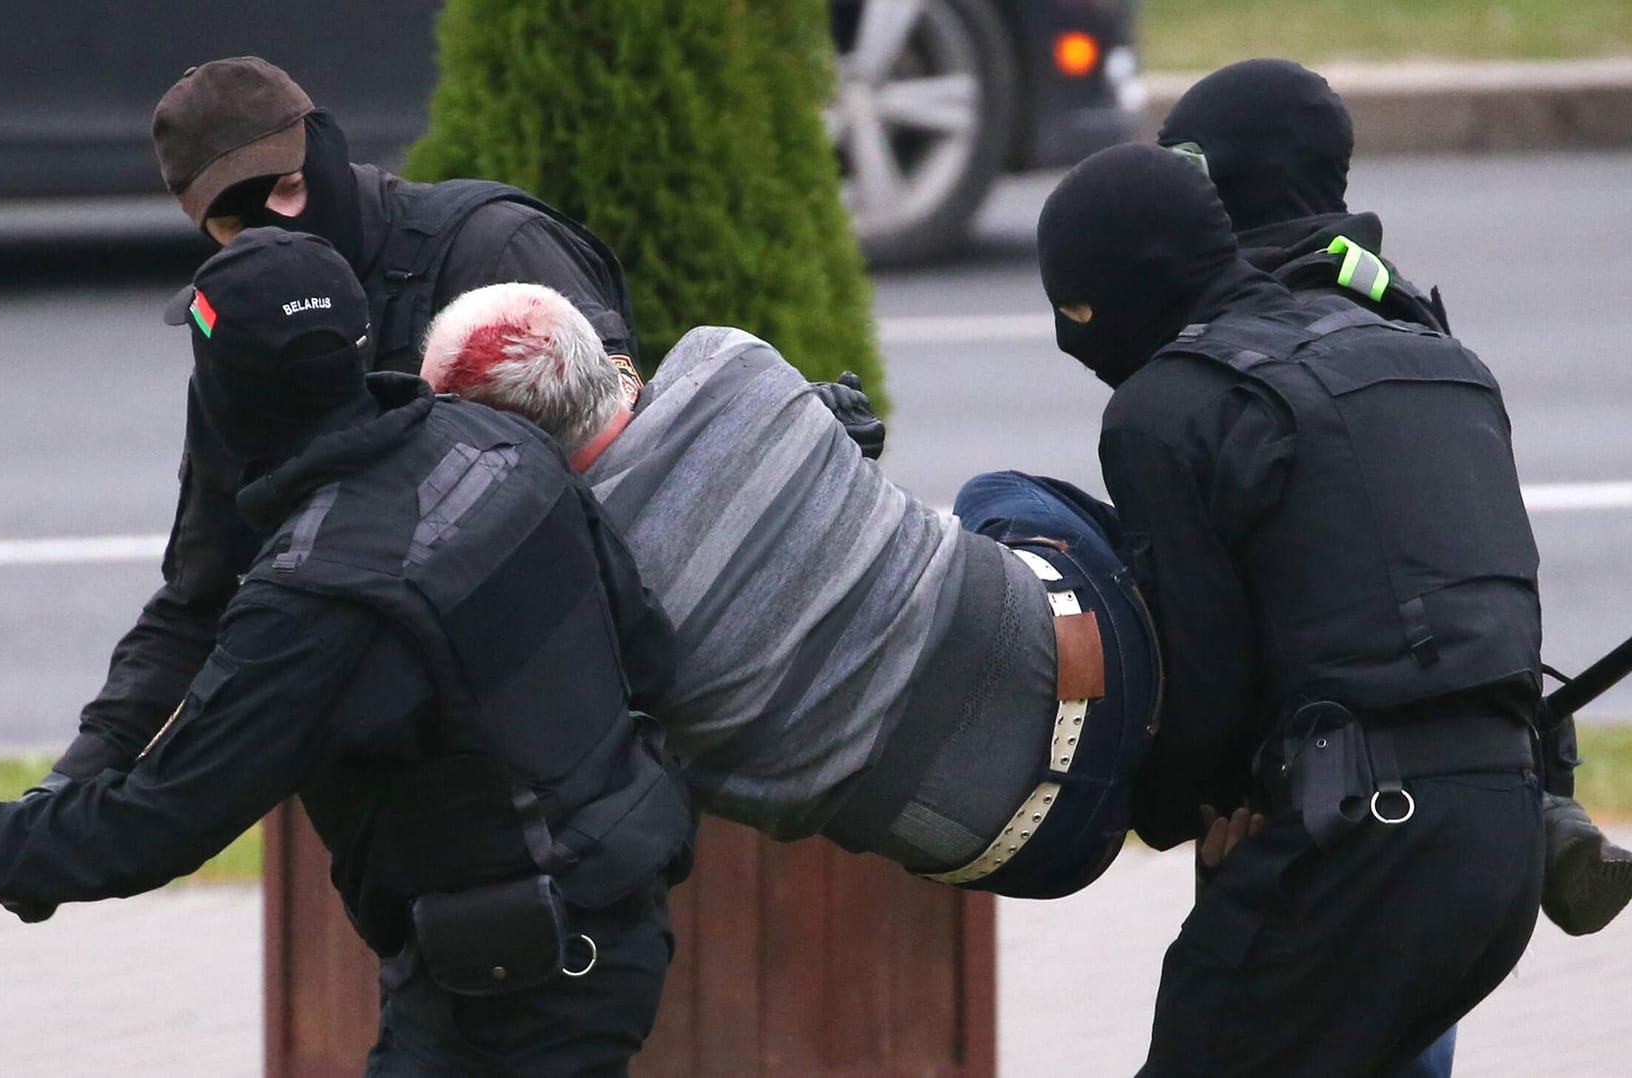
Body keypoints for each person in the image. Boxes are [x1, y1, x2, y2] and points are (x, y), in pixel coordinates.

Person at [0, 230, 694, 1075]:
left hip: (519, 995)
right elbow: (649, 655)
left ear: (226, 394)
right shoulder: (492, 443)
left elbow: (157, 821)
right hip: (600, 931)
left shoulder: (318, 596)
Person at [1038, 144, 1545, 1075]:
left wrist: (1173, 810)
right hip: (1508, 840)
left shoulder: (1166, 408)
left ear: (1132, 284)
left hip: (1356, 854)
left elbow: (1208, 674)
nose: (1077, 341)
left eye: (1076, 310)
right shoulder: (1434, 359)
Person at [416, 282, 1171, 900]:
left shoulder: (577, 597)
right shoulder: (727, 363)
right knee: (999, 496)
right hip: (1123, 671)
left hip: (1022, 850)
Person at [43, 55, 644, 791]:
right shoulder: (248, 334)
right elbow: (203, 586)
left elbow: (622, 464)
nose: (278, 225)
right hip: (397, 790)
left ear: (324, 144)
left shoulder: (491, 248)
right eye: (237, 221)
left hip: (570, 746)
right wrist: (79, 773)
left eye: (291, 188)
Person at [1158, 56, 1632, 939]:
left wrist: (1206, 790)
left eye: (1185, 169)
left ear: (1234, 180)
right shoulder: (1406, 320)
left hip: (1317, 807)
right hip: (1473, 779)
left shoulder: (1244, 349)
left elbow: (1228, 613)